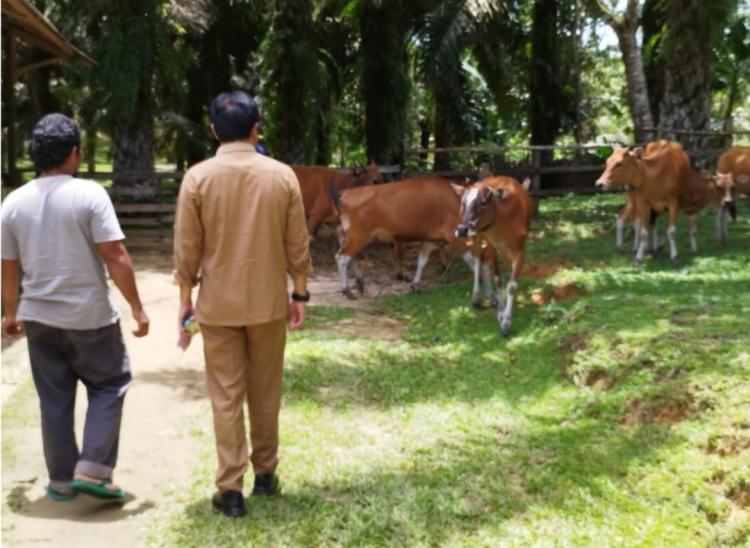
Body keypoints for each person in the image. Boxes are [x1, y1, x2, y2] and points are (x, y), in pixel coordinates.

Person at [173, 91, 311, 518]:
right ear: (256, 128)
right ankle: (266, 475)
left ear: (213, 130)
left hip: (217, 307)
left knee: (226, 396)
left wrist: (184, 299)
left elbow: (187, 248)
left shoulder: (197, 177)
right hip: (268, 303)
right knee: (265, 392)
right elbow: (297, 242)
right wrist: (300, 292)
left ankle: (230, 490)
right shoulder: (282, 176)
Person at [1, 113, 150, 501]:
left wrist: (10, 312)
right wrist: (137, 307)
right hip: (89, 317)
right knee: (109, 383)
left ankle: (62, 479)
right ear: (73, 154)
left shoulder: (12, 203)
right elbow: (115, 254)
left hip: (39, 319)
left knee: (54, 397)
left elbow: (8, 266)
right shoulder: (89, 194)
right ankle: (95, 470)